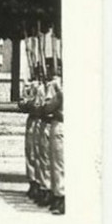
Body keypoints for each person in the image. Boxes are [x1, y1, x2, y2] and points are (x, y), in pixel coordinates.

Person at [40, 62, 65, 215]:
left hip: (62, 125)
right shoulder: (59, 89)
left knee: (59, 165)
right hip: (60, 125)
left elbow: (48, 107)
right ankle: (59, 196)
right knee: (57, 164)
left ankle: (60, 196)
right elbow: (47, 108)